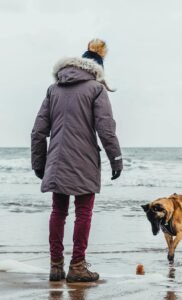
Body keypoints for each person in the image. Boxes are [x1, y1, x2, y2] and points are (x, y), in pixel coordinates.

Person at [31, 38, 123, 283]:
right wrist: (116, 158)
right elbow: (106, 130)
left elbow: (38, 131)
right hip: (84, 161)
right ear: (98, 69)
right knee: (83, 212)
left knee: (58, 211)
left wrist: (39, 163)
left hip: (57, 160)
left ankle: (55, 266)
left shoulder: (54, 89)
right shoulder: (96, 89)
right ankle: (78, 266)